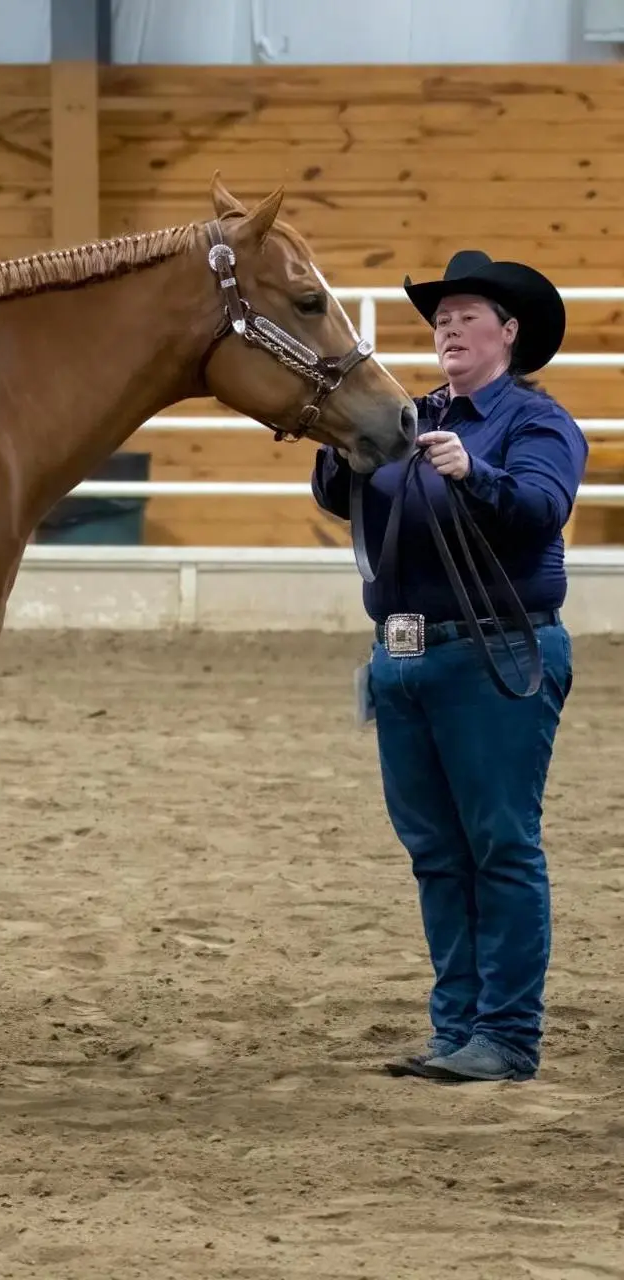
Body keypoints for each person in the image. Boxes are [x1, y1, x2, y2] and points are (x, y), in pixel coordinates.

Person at [310, 250, 588, 1084]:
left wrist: (478, 473)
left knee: (499, 844)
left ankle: (505, 1034)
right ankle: (456, 1026)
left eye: (467, 314)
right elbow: (341, 497)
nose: (447, 326)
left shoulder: (536, 424)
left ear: (508, 333)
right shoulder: (410, 415)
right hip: (404, 653)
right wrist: (335, 445)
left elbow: (542, 509)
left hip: (495, 649)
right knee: (435, 849)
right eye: (441, 316)